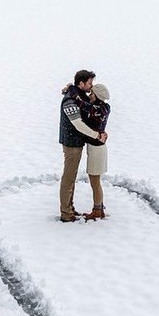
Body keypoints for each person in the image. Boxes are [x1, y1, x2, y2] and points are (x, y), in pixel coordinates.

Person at [59, 70, 107, 222]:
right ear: (81, 83)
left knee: (71, 178)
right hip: (71, 143)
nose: (91, 87)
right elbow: (78, 124)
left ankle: (70, 209)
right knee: (69, 178)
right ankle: (66, 213)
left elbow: (88, 104)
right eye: (89, 83)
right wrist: (97, 135)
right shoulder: (70, 101)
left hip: (77, 142)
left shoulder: (78, 94)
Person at [72, 83, 111, 221]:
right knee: (96, 181)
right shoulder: (105, 107)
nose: (90, 95)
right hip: (98, 148)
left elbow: (82, 104)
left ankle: (97, 211)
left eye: (92, 93)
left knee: (95, 182)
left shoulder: (97, 109)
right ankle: (99, 208)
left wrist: (71, 89)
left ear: (98, 96)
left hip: (96, 150)